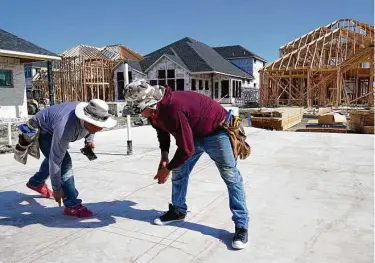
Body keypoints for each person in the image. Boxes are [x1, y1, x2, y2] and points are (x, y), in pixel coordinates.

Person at [124, 79, 250, 250]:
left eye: (138, 109)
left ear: (149, 103)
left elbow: (187, 149)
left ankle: (241, 225)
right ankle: (178, 211)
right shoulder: (155, 111)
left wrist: (166, 170)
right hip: (194, 131)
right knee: (179, 171)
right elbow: (162, 131)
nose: (139, 114)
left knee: (230, 176)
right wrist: (165, 158)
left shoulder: (172, 109)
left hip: (217, 130)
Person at [24, 99, 117, 217]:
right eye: (97, 126)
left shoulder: (91, 117)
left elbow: (93, 126)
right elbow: (55, 161)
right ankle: (72, 204)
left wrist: (89, 141)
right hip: (43, 129)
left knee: (56, 154)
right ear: (85, 120)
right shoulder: (65, 127)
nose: (100, 129)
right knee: (63, 161)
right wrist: (57, 189)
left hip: (55, 124)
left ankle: (35, 182)